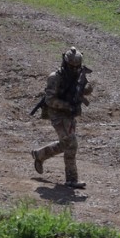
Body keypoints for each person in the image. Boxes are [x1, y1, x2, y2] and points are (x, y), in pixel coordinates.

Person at [31, 46, 93, 189]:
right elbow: (50, 100)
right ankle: (71, 179)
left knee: (66, 143)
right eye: (72, 66)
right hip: (57, 114)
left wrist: (84, 87)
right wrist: (67, 105)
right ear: (65, 63)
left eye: (77, 66)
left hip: (70, 113)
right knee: (71, 144)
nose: (74, 69)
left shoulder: (78, 74)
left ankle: (40, 155)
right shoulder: (55, 77)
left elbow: (87, 89)